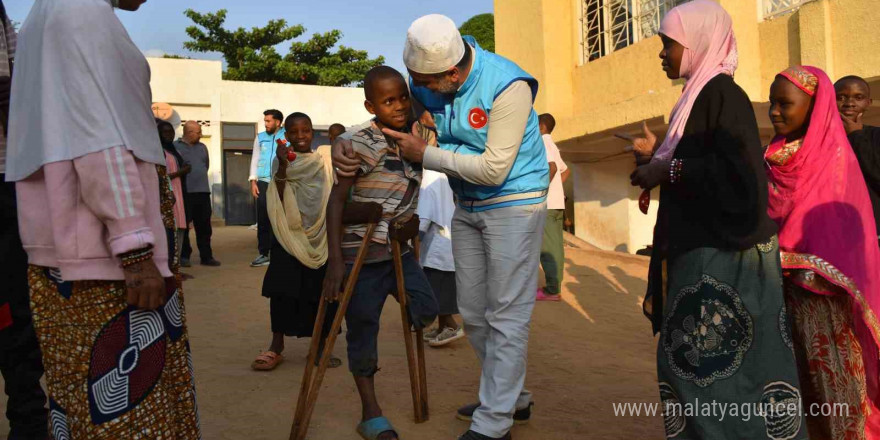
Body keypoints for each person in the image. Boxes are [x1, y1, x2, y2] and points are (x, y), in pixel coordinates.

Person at [335, 15, 548, 440]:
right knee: (472, 310)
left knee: (506, 311)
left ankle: (494, 422)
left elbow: (493, 169)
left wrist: (424, 154)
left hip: (514, 203)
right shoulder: (426, 79)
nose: (420, 96)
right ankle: (508, 397)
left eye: (427, 86)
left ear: (452, 73)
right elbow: (385, 118)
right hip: (466, 202)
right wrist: (345, 143)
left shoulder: (509, 86)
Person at [5, 0, 201, 438]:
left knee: (79, 401)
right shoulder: (80, 11)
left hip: (70, 252)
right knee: (128, 413)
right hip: (105, 260)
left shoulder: (47, 12)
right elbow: (100, 138)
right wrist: (133, 246)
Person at [621, 2, 805, 438]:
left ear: (698, 42)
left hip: (725, 259)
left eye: (668, 43)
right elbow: (704, 163)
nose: (662, 53)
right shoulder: (698, 98)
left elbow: (739, 175)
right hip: (706, 256)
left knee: (713, 376)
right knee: (696, 373)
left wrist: (666, 168)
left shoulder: (722, 95)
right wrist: (658, 156)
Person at [323, 66, 439, 440]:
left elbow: (428, 94)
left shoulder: (419, 135)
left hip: (398, 251)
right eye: (388, 101)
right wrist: (335, 263)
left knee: (425, 309)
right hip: (361, 255)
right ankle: (370, 411)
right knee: (363, 331)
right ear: (370, 105)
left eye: (403, 97)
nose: (399, 106)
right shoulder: (358, 141)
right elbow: (336, 201)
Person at [767, 66, 880, 439]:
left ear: (813, 107)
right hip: (775, 290)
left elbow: (838, 229)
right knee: (790, 390)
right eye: (772, 103)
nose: (775, 112)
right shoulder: (773, 155)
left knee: (833, 386)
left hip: (823, 295)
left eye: (785, 104)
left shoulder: (833, 157)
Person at [251, 112, 340, 371]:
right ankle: (276, 345)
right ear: (285, 135)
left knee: (322, 290)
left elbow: (329, 193)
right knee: (281, 289)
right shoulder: (281, 160)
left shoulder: (323, 160)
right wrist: (282, 166)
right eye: (294, 132)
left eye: (306, 130)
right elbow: (277, 194)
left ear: (312, 132)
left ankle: (321, 346)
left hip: (320, 235)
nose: (300, 136)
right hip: (288, 235)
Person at [0, 2, 49, 438]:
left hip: (8, 179)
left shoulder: (7, 21)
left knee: (15, 312)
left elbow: (19, 90)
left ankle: (29, 421)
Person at [418, 169, 465, 347]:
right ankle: (442, 327)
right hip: (447, 238)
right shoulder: (443, 171)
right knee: (440, 289)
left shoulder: (431, 175)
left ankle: (451, 326)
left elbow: (424, 214)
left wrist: (416, 236)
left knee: (437, 292)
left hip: (438, 244)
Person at [835, 75, 880, 245]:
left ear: (868, 102)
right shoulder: (821, 138)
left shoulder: (876, 136)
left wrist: (856, 136)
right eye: (841, 97)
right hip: (836, 232)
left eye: (858, 97)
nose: (849, 103)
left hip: (874, 235)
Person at [176, 120, 221, 267]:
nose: (201, 135)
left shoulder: (202, 147)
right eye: (198, 132)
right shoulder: (176, 147)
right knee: (184, 226)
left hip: (202, 192)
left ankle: (206, 257)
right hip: (185, 193)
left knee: (205, 227)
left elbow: (205, 166)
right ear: (189, 133)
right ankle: (184, 257)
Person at [537, 113, 569, 301]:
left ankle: (552, 290)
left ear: (541, 126)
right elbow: (565, 170)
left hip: (548, 203)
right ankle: (554, 285)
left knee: (547, 247)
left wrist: (542, 190)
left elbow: (553, 168)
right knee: (556, 245)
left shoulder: (542, 142)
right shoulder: (552, 144)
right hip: (556, 202)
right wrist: (557, 189)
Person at [249, 109, 286, 267]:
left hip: (282, 182)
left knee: (280, 218)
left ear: (278, 122)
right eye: (265, 121)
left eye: (268, 121)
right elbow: (255, 158)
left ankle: (280, 253)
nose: (266, 124)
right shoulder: (260, 137)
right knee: (263, 219)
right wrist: (253, 181)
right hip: (263, 181)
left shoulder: (287, 136)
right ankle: (264, 253)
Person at [158, 120, 191, 276]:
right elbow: (160, 175)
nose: (169, 135)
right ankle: (169, 270)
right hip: (167, 195)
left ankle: (175, 268)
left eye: (171, 131)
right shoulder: (157, 151)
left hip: (179, 193)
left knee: (179, 229)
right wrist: (180, 172)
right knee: (168, 231)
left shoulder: (174, 151)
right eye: (165, 132)